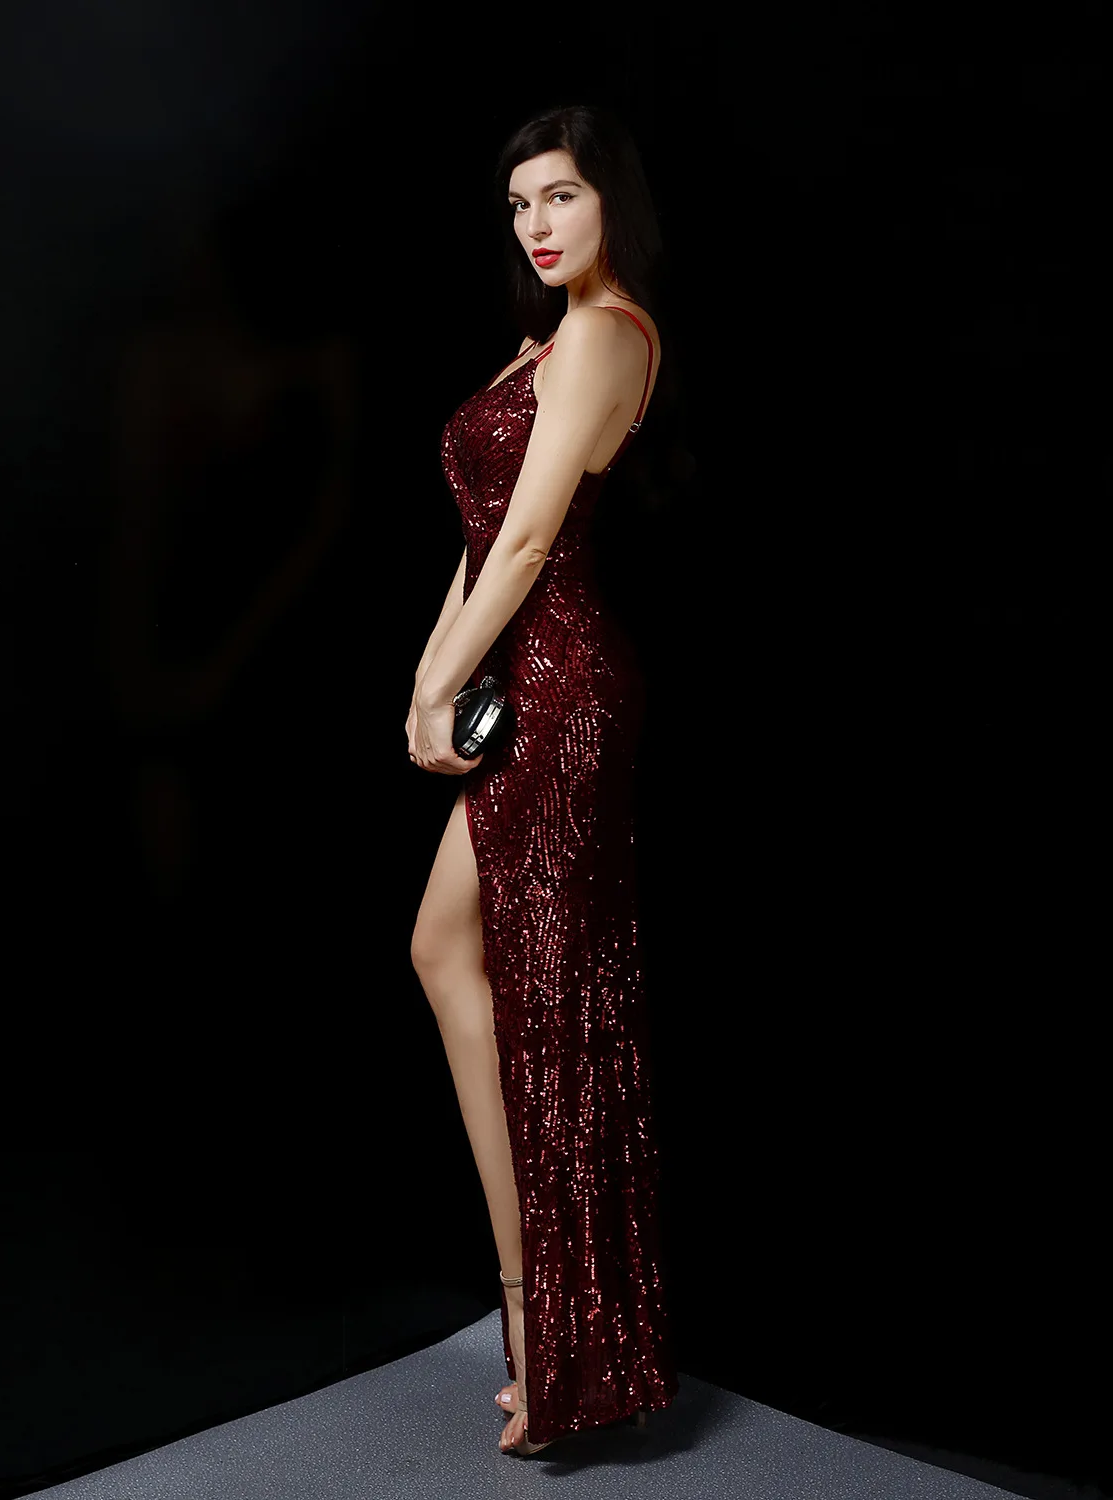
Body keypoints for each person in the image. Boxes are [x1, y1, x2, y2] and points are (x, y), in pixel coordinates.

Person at [406, 103, 680, 1458]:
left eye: (561, 194)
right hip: (521, 671)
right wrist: (427, 674)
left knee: (556, 1009)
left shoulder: (607, 337)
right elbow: (478, 544)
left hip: (563, 687)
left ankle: (562, 1346)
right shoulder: (547, 344)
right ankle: (540, 1320)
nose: (537, 224)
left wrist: (436, 689)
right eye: (520, 205)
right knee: (450, 953)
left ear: (610, 198)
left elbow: (525, 549)